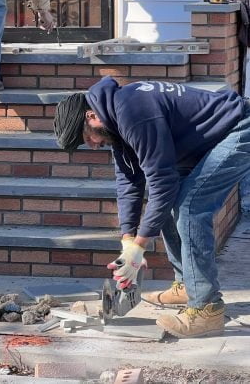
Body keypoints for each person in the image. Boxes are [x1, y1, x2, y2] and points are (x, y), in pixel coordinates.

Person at [53, 76, 250, 338]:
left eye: (86, 138)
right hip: (208, 139)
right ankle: (187, 284)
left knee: (190, 208)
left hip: (239, 128)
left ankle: (207, 309)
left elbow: (162, 182)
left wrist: (140, 245)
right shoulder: (114, 118)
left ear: (91, 116)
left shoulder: (132, 111)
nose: (92, 144)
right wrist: (127, 241)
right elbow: (128, 182)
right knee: (169, 207)